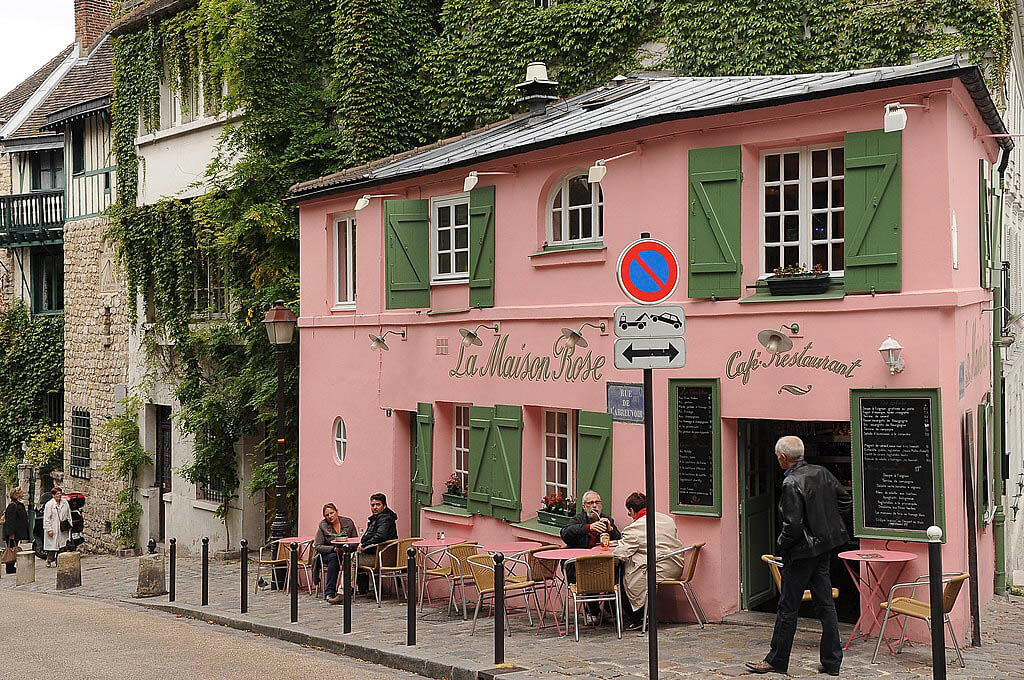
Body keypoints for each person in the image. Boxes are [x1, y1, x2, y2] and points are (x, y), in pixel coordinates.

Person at [746, 436, 852, 677]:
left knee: (787, 607)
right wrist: (827, 528)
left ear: (783, 458)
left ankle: (777, 660)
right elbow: (845, 501)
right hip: (823, 549)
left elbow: (792, 526)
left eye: (777, 457)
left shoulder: (791, 483)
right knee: (825, 604)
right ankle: (833, 661)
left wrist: (781, 544)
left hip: (802, 553)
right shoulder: (821, 472)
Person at [613, 491, 686, 631]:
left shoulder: (634, 529)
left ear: (632, 510)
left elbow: (621, 554)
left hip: (657, 570)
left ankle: (638, 617)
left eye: (629, 513)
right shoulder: (667, 519)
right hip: (676, 565)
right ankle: (641, 616)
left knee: (623, 573)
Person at [312, 502, 356, 604]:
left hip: (346, 551)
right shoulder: (323, 526)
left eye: (331, 513)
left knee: (352, 557)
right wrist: (333, 549)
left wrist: (347, 548)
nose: (330, 516)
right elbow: (318, 546)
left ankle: (354, 588)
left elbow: (355, 540)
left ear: (337, 511)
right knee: (333, 558)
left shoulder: (348, 522)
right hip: (327, 554)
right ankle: (330, 592)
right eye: (327, 515)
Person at [356, 493, 398, 594]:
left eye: (378, 504)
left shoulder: (384, 519)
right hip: (384, 556)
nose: (375, 507)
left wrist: (364, 545)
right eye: (372, 505)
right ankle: (370, 589)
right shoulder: (379, 518)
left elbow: (380, 536)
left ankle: (345, 590)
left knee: (350, 558)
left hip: (381, 558)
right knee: (357, 555)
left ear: (384, 505)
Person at [42, 486, 71, 567]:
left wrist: (69, 524)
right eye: (57, 494)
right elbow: (46, 518)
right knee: (53, 547)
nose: (59, 495)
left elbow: (69, 514)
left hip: (62, 527)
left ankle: (59, 561)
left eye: (60, 493)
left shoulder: (65, 502)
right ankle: (49, 559)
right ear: (53, 495)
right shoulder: (49, 504)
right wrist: (49, 529)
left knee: (62, 545)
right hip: (53, 527)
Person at [4, 487, 30, 574]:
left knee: (13, 548)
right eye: (21, 492)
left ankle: (12, 566)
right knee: (11, 549)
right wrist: (11, 533)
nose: (23, 493)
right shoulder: (13, 505)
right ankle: (9, 567)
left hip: (16, 531)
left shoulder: (18, 504)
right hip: (12, 532)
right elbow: (10, 520)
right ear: (17, 494)